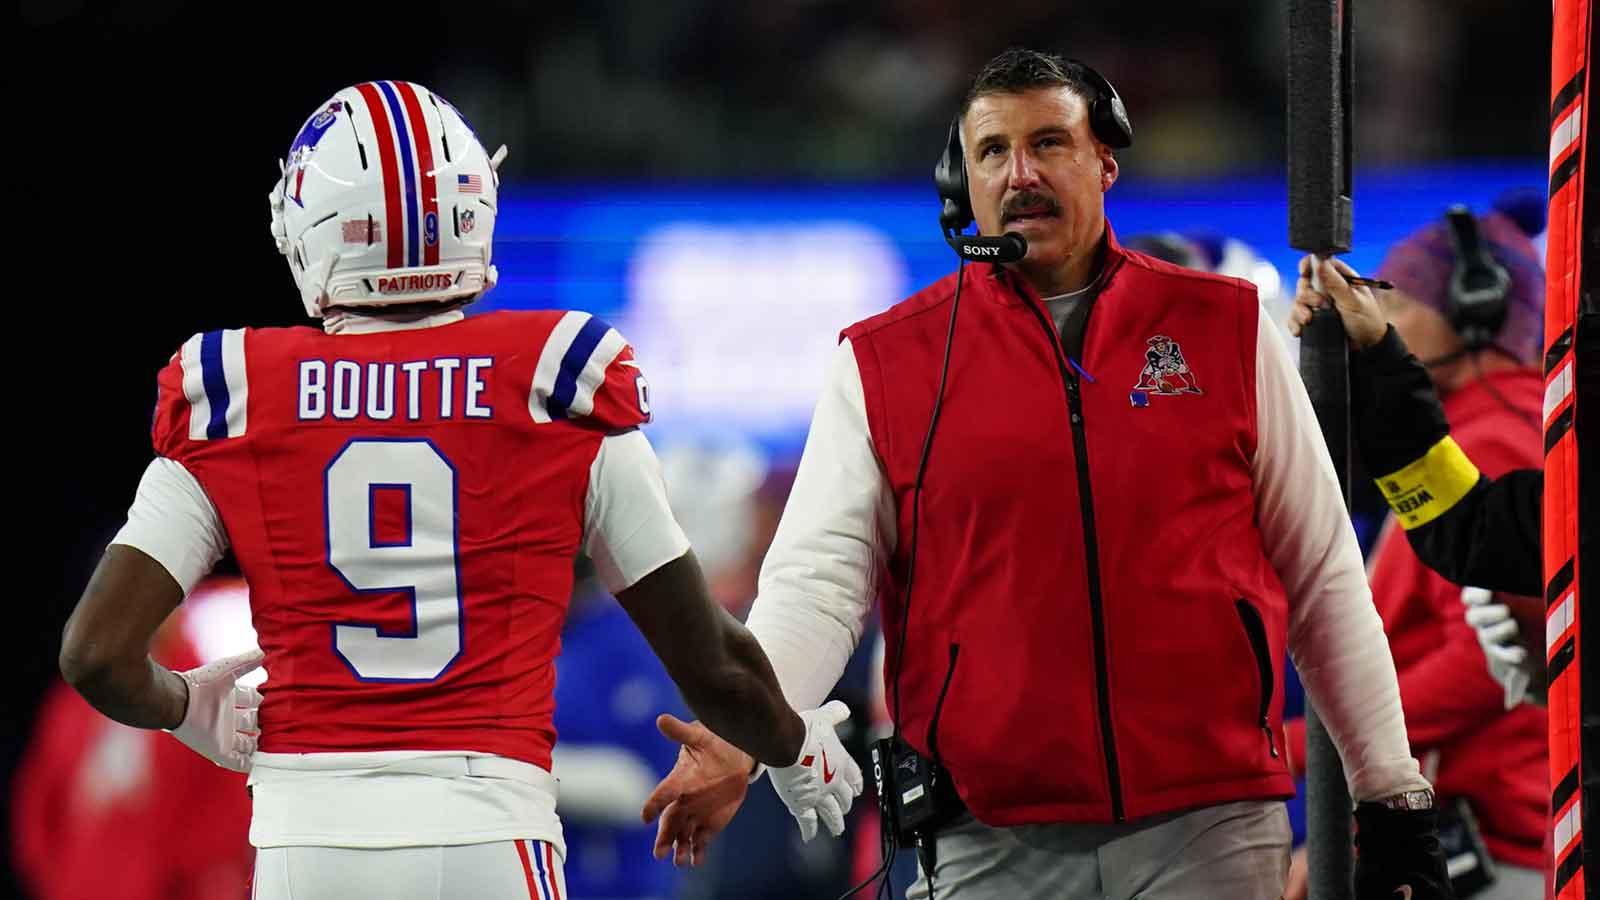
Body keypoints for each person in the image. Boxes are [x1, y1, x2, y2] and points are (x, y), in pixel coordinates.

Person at [643, 48, 1450, 900]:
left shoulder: (1226, 327)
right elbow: (816, 589)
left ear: (1105, 160)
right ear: (965, 181)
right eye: (992, 151)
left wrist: (1391, 796)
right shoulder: (886, 362)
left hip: (1207, 827)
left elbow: (1323, 575)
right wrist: (741, 736)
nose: (1020, 173)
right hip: (987, 838)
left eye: (1049, 142)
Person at [55, 81, 861, 900]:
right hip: (490, 833)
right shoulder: (558, 380)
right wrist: (794, 748)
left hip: (309, 847)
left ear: (310, 229)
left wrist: (187, 706)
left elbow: (97, 655)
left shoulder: (233, 394)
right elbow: (714, 663)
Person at [1281, 207, 1549, 900]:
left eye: (1394, 291)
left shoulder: (1491, 439)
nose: (1376, 307)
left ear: (1475, 310)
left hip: (1485, 842)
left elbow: (1488, 662)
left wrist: (1311, 739)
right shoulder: (1491, 427)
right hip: (1478, 832)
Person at [14, 602, 254, 900]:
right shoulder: (70, 706)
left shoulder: (211, 703)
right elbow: (40, 804)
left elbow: (229, 818)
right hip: (80, 883)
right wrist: (57, 877)